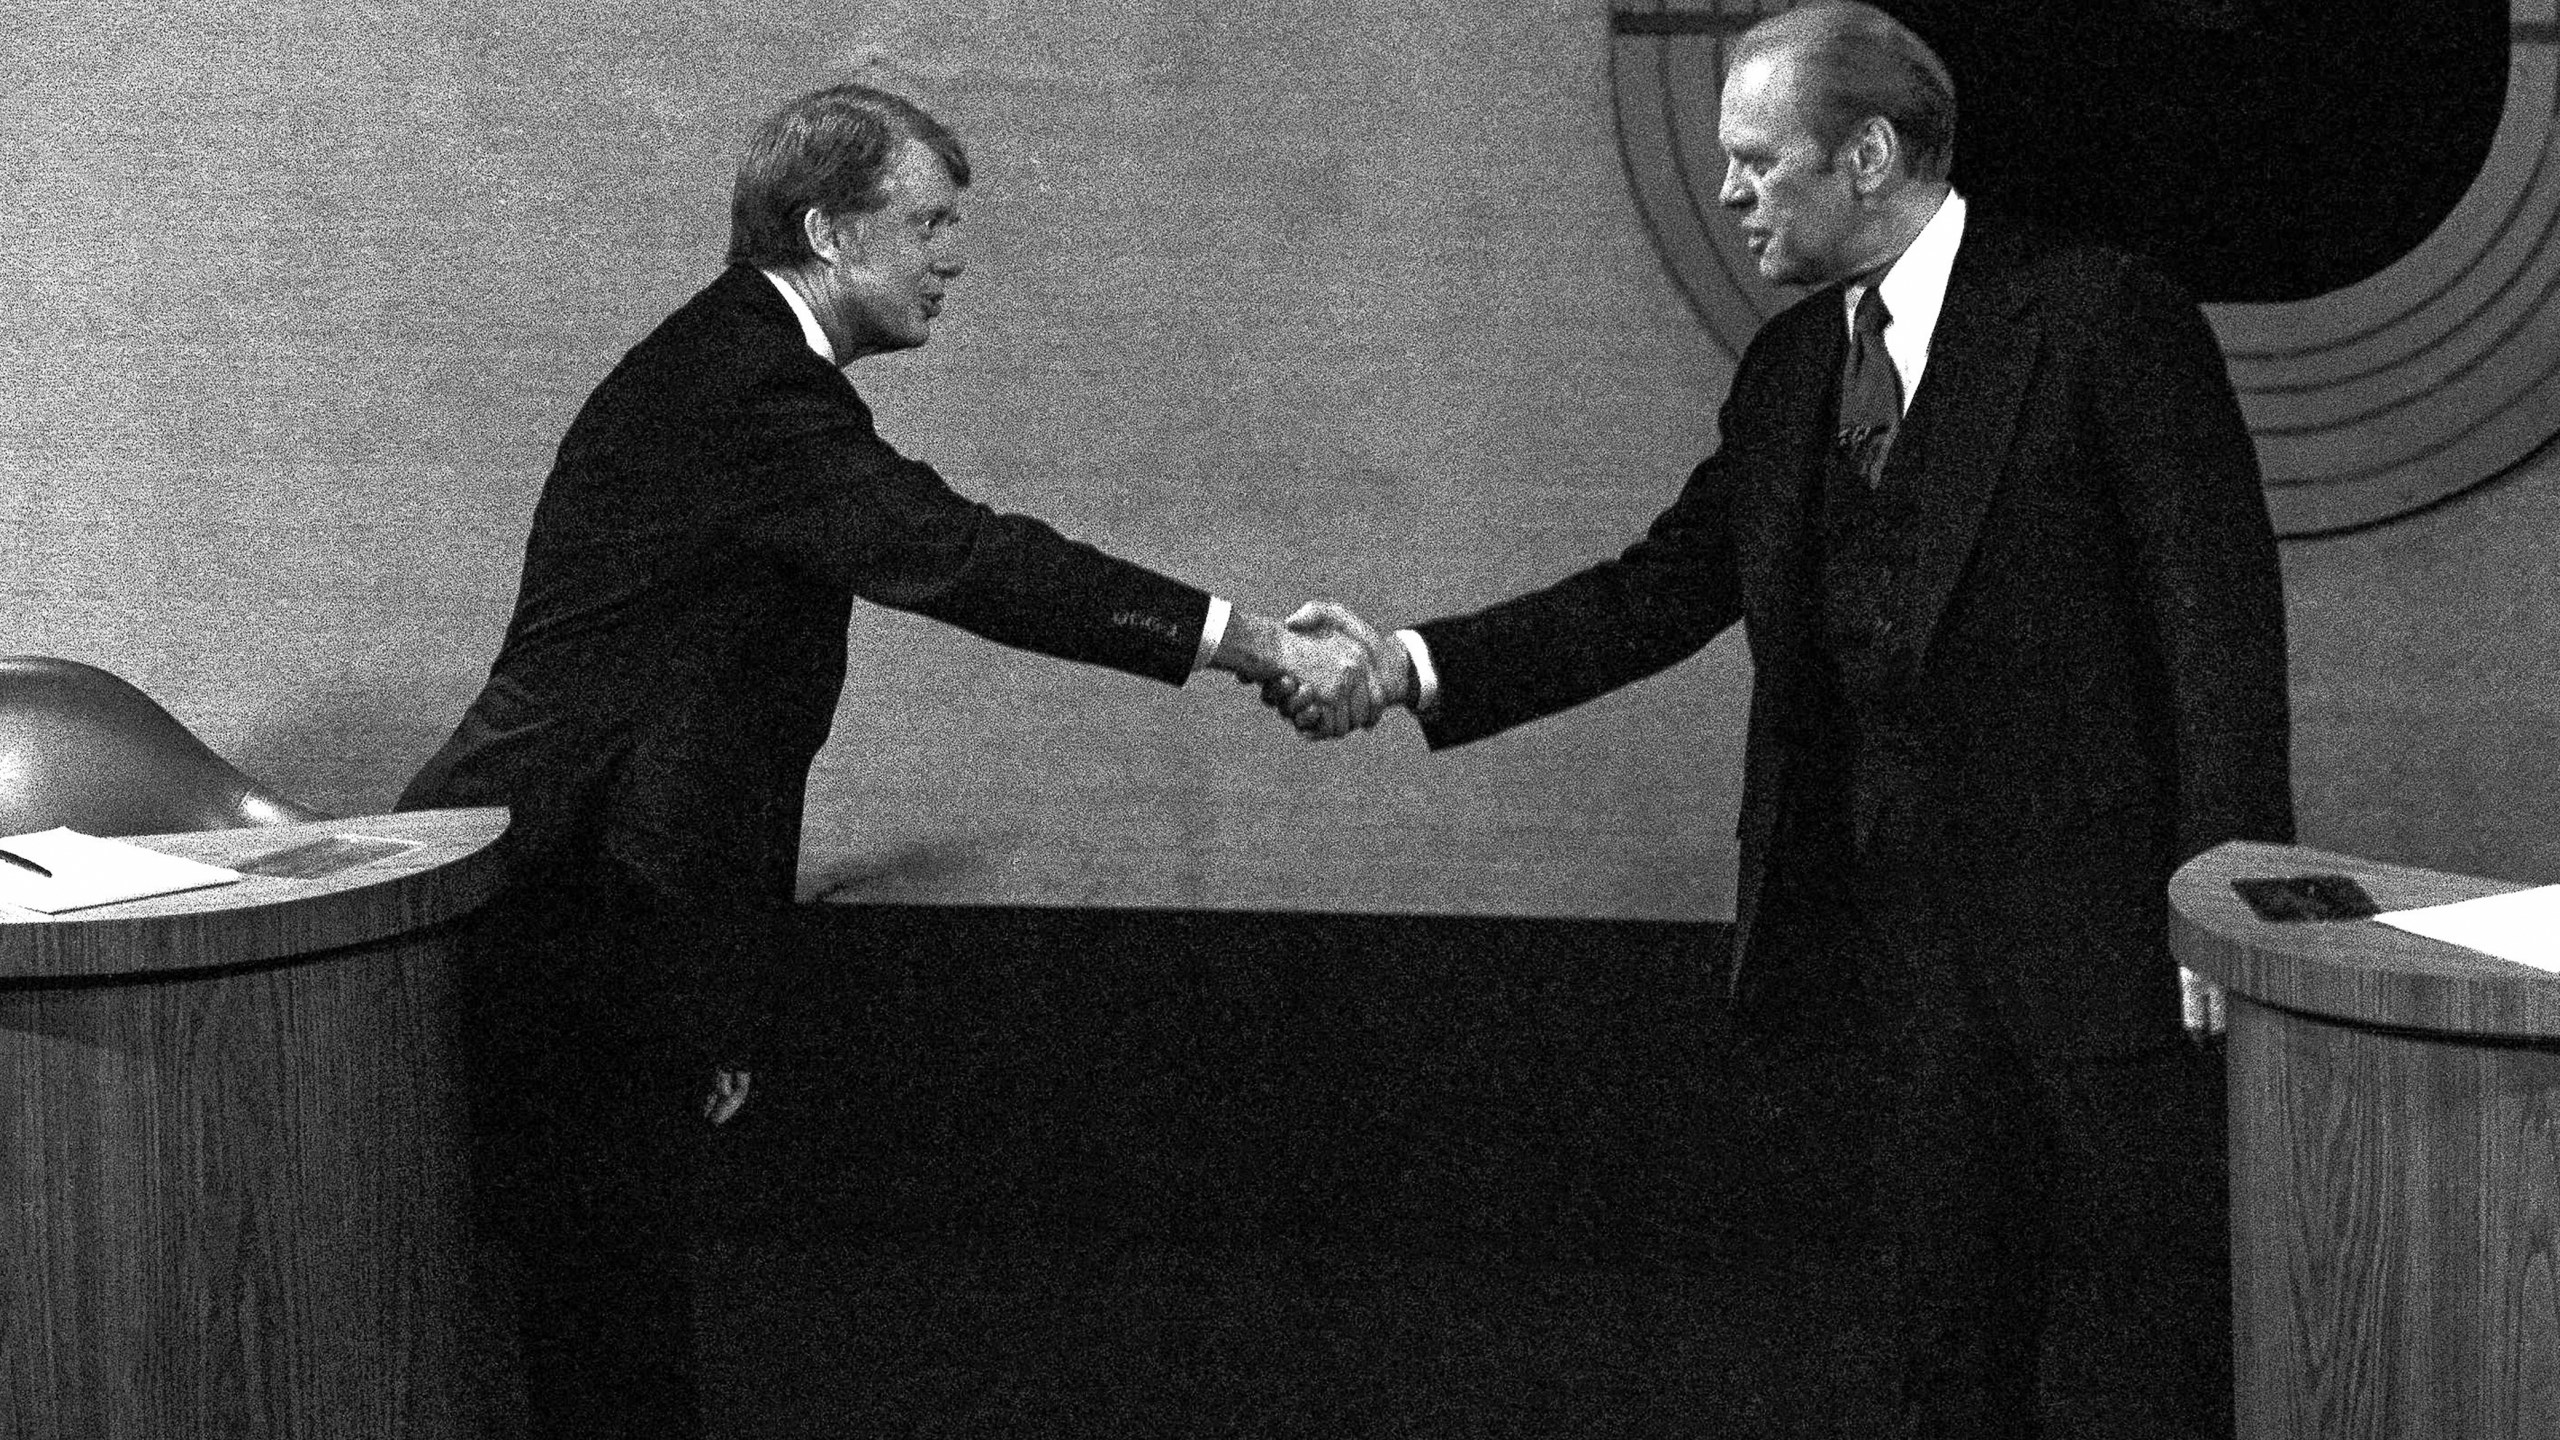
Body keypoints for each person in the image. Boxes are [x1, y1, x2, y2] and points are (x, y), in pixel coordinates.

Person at [1275, 5, 2292, 1435]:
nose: (1732, 192)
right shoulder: (1793, 368)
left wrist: (2228, 897)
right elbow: (1655, 592)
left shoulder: (2103, 316)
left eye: (1757, 161)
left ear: (1867, 154)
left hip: (2114, 948)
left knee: (2176, 1335)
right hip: (1901, 951)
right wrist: (1403, 666)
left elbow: (2217, 619)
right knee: (1950, 1340)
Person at [398, 84, 1362, 1439]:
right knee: (605, 1329)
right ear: (827, 232)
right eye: (928, 223)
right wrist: (1254, 643)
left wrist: (722, 989)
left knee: (612, 1321)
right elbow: (967, 558)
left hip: (607, 914)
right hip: (573, 912)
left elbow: (719, 721)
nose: (954, 256)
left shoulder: (741, 369)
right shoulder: (743, 385)